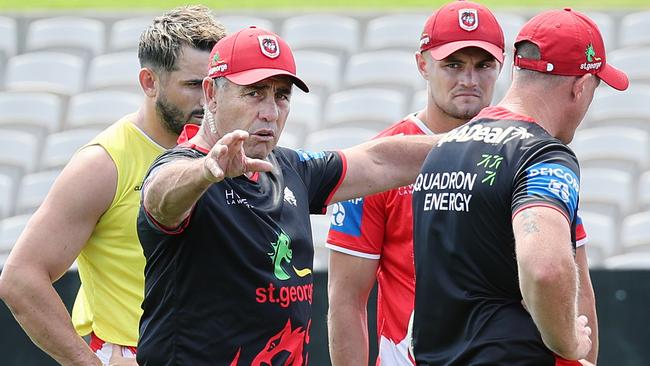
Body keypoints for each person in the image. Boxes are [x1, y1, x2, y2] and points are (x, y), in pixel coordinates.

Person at [135, 26, 441, 365]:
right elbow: (159, 200)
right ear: (211, 94)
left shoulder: (289, 168)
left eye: (281, 95)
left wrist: (480, 144)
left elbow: (378, 161)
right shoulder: (184, 167)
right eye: (254, 93)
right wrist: (208, 171)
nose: (271, 111)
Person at [0, 6, 225, 365]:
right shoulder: (103, 164)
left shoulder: (224, 149)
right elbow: (20, 278)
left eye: (214, 85)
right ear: (150, 83)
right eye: (192, 85)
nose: (207, 100)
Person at [411, 8, 627, 365]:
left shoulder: (444, 148)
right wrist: (570, 342)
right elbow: (545, 267)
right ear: (580, 86)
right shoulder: (541, 154)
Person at [326, 1, 505, 364]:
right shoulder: (376, 164)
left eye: (482, 65)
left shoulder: (522, 153)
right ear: (423, 64)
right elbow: (346, 301)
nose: (469, 80)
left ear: (501, 66)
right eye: (453, 64)